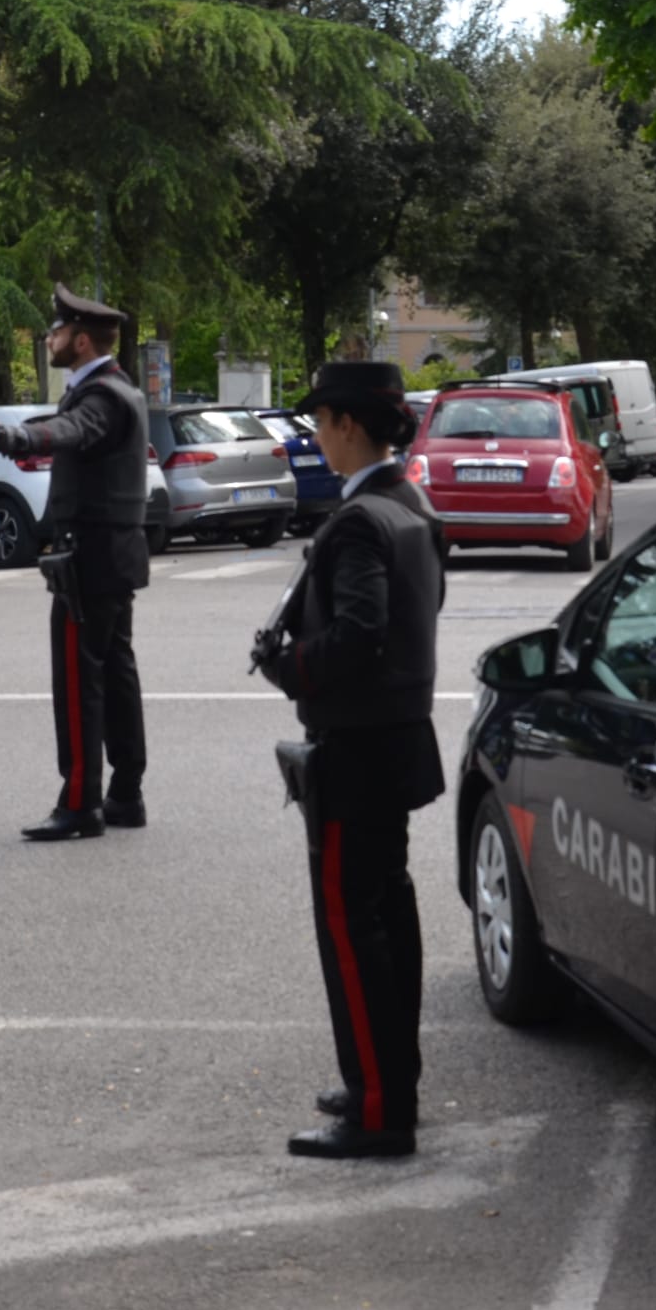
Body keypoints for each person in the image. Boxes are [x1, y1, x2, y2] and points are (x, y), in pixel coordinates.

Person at [255, 360, 445, 1160]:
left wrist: (289, 666)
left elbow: (361, 630)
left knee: (351, 926)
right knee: (387, 918)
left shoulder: (363, 517)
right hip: (395, 738)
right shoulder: (407, 502)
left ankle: (378, 1109)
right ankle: (387, 1076)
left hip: (357, 747)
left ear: (347, 425)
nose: (316, 435)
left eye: (321, 421)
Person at [0, 283, 149, 841]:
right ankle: (125, 792)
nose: (49, 338)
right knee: (116, 674)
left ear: (79, 340)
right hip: (111, 556)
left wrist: (15, 436)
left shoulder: (100, 395)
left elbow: (69, 433)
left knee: (80, 680)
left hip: (91, 561)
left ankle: (81, 803)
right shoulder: (113, 388)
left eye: (55, 331)